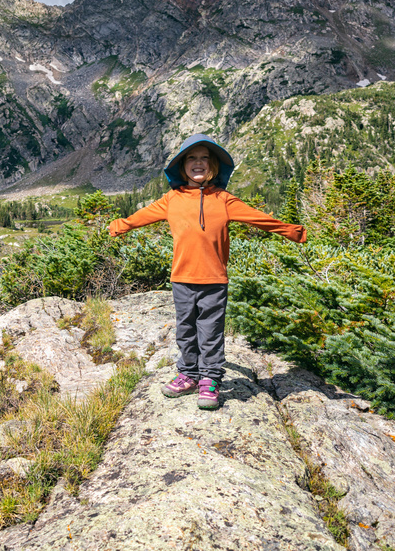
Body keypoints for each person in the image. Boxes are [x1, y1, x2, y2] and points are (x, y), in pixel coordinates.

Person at [108, 134, 307, 410]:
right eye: (191, 158)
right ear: (182, 166)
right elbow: (141, 216)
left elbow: (259, 219)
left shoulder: (223, 199)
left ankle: (210, 379)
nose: (198, 163)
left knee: (211, 332)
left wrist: (294, 232)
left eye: (204, 158)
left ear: (213, 165)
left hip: (214, 280)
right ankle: (189, 375)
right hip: (181, 279)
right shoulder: (172, 199)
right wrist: (118, 226)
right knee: (185, 330)